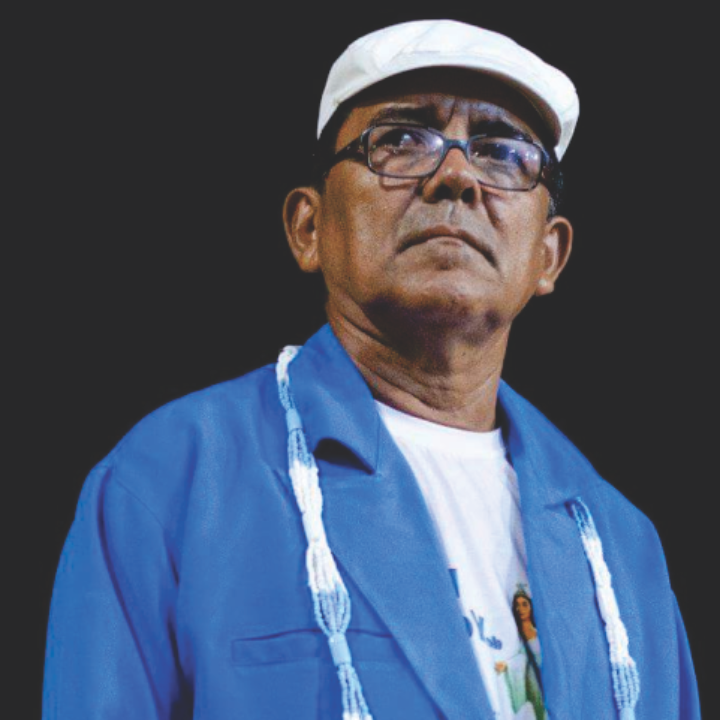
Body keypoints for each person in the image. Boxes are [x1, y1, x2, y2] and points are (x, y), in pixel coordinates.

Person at [42, 19, 701, 720]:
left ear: (548, 255)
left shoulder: (620, 546)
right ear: (309, 227)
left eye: (503, 153)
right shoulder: (168, 480)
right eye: (401, 140)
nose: (457, 177)